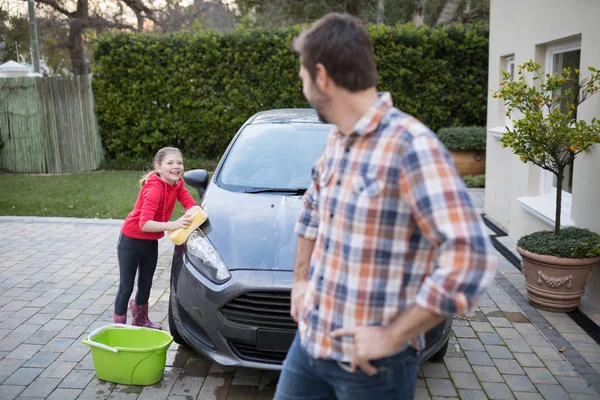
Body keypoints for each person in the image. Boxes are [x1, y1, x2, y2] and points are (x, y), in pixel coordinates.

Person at [274, 13, 497, 400]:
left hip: (374, 369)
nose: (302, 84)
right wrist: (300, 281)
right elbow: (312, 210)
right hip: (309, 344)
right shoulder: (337, 140)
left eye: (303, 76)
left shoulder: (411, 146)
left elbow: (471, 258)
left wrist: (392, 336)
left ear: (322, 77)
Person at [113, 147, 197, 329]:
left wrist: (202, 217)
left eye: (179, 163)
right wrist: (174, 225)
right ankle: (119, 328)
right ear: (158, 167)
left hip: (150, 242)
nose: (176, 167)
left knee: (146, 284)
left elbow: (190, 205)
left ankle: (140, 320)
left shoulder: (177, 184)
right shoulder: (154, 189)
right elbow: (145, 224)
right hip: (131, 241)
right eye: (170, 163)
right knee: (126, 287)